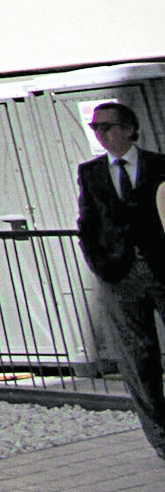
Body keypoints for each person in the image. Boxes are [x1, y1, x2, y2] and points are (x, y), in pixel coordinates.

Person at [76, 100, 165, 459]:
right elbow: (88, 225)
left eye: (108, 126)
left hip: (162, 270)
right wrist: (102, 267)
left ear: (129, 129)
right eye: (96, 128)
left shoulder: (159, 165)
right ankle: (161, 439)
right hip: (119, 276)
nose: (101, 134)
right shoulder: (91, 172)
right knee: (137, 360)